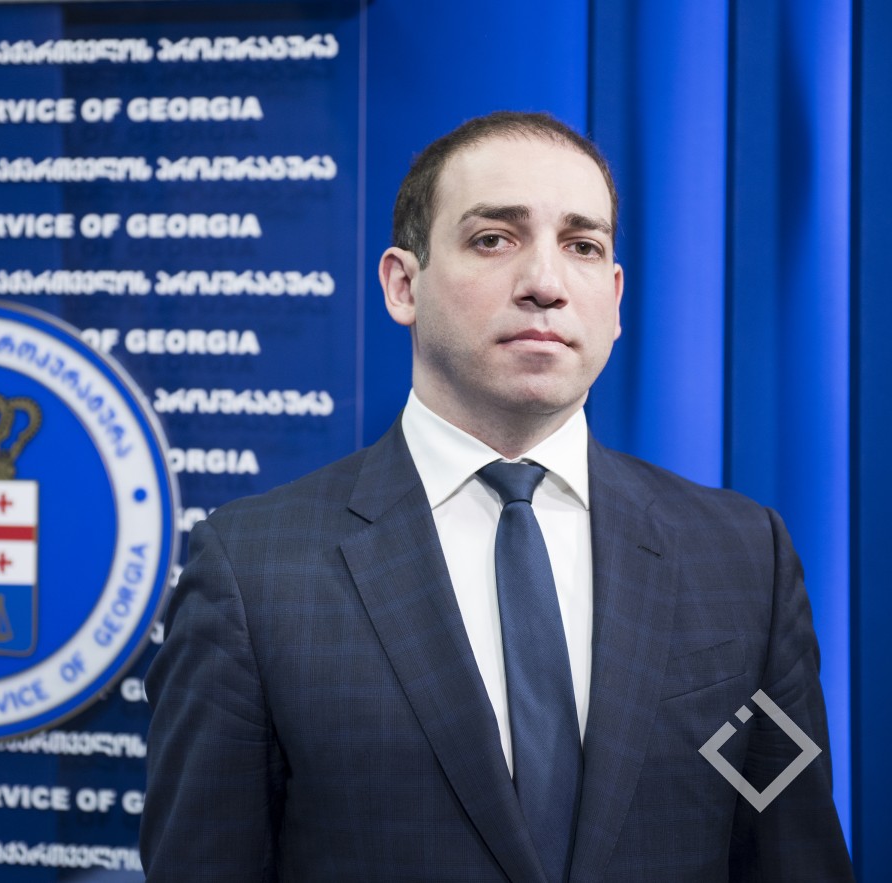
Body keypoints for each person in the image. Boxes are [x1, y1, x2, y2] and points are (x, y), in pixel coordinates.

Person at [139, 111, 853, 882]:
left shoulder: (744, 558)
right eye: (493, 239)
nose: (545, 283)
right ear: (403, 285)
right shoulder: (252, 572)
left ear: (615, 300)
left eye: (582, 246)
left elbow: (791, 847)